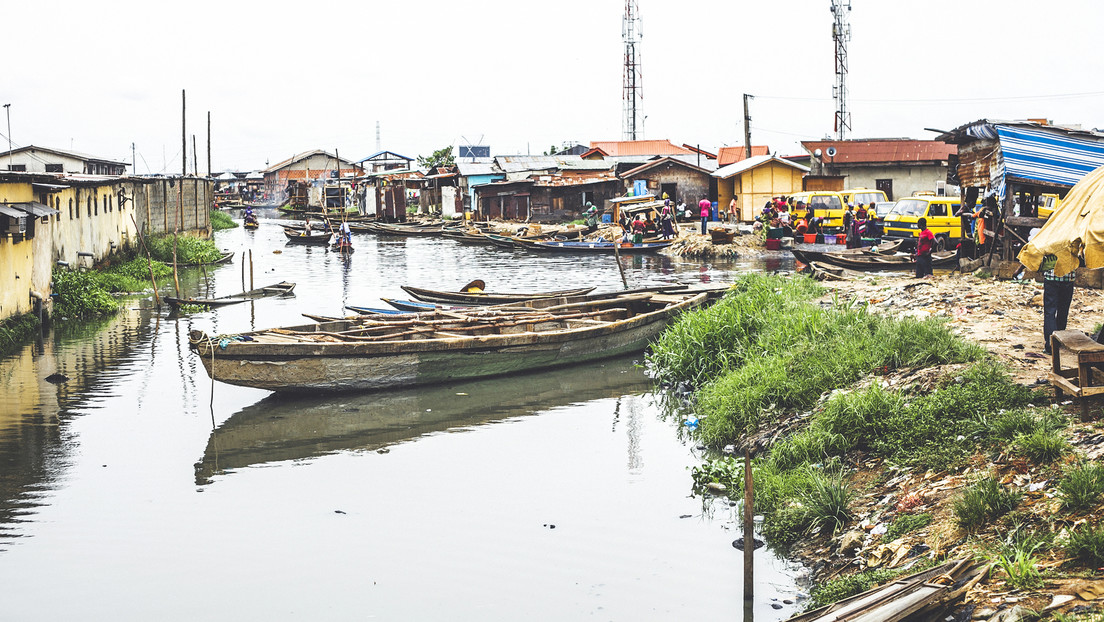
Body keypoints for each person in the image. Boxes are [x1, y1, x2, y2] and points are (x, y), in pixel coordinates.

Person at [1041, 253, 1075, 354]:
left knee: (1050, 312)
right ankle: (1058, 342)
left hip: (1051, 277)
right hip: (1068, 277)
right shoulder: (1072, 237)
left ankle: (1050, 346)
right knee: (1063, 311)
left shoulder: (1050, 237)